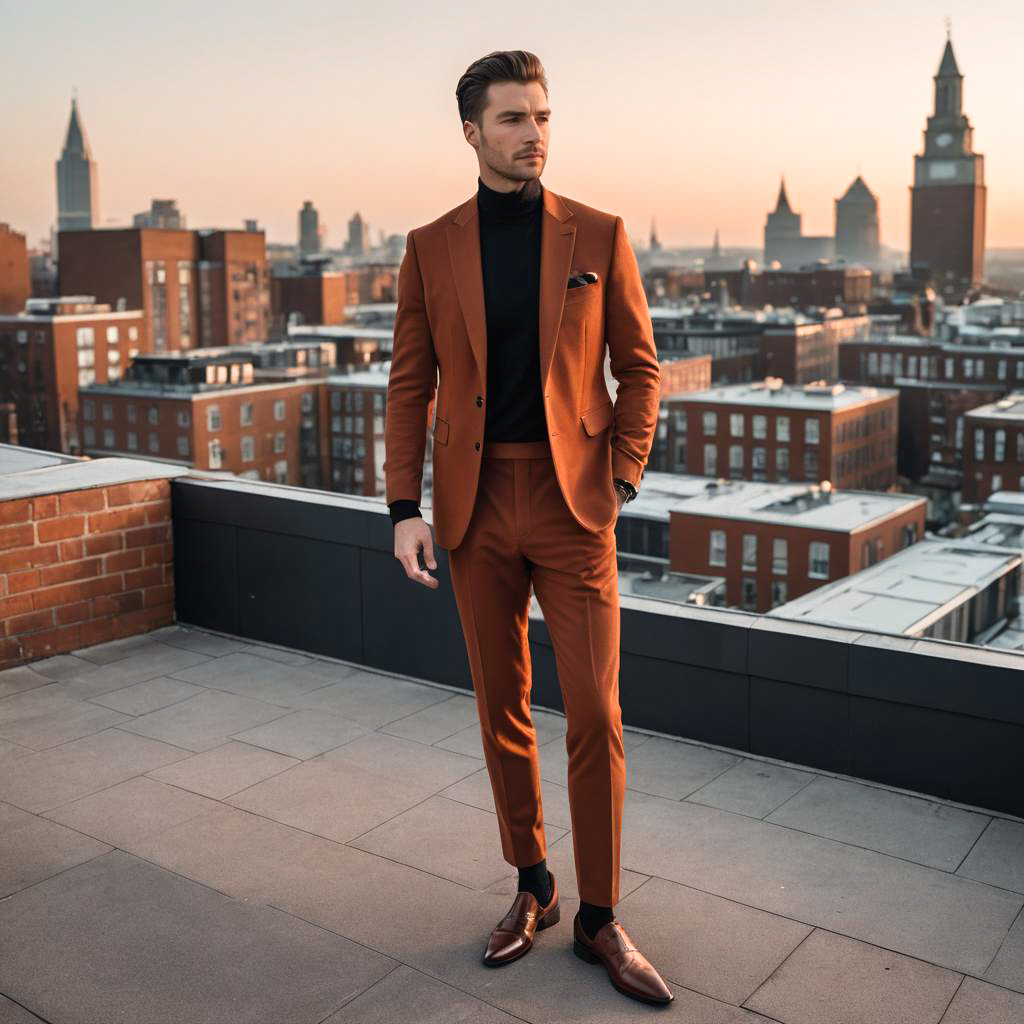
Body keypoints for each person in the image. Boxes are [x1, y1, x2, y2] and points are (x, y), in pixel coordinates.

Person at [383, 49, 672, 1006]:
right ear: (472, 132)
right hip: (472, 504)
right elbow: (408, 384)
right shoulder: (431, 245)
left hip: (574, 502)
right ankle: (532, 887)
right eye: (512, 118)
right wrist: (402, 507)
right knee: (501, 708)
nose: (533, 133)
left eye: (542, 115)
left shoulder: (599, 231)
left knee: (595, 711)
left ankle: (600, 919)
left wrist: (620, 479)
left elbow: (642, 368)